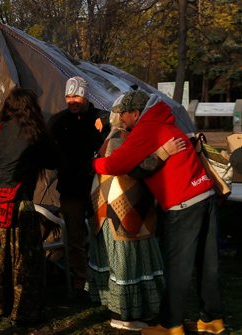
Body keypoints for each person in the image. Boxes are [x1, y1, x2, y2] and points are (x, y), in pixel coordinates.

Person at [92, 91, 224, 335]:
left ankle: (170, 325)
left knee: (178, 267)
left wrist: (94, 163)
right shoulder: (166, 123)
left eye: (124, 113)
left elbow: (115, 164)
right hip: (205, 194)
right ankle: (212, 319)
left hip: (183, 203)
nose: (121, 118)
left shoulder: (146, 130)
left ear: (136, 114)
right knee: (208, 263)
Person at [88, 101, 186, 331]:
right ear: (128, 115)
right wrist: (163, 153)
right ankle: (122, 315)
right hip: (119, 208)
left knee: (132, 260)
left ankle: (134, 310)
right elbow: (128, 166)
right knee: (125, 261)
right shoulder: (118, 136)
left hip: (126, 207)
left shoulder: (126, 135)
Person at [0, 88, 59, 325]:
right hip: (22, 203)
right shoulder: (35, 134)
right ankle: (23, 311)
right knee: (25, 261)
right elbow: (53, 160)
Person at [47, 76, 108, 296]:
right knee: (74, 237)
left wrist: (107, 123)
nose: (72, 100)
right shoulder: (58, 121)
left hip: (97, 186)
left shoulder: (100, 118)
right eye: (68, 96)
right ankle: (80, 282)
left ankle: (105, 277)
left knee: (102, 234)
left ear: (86, 95)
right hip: (71, 187)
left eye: (76, 95)